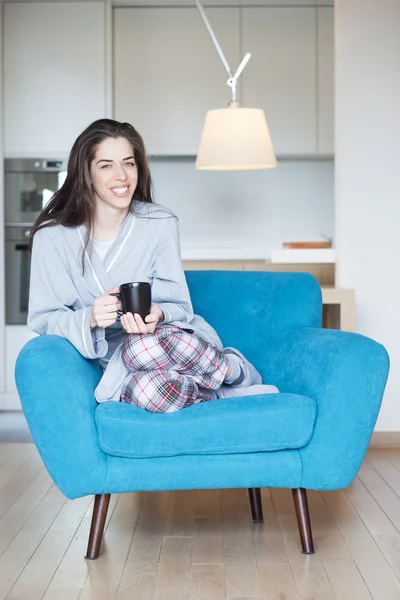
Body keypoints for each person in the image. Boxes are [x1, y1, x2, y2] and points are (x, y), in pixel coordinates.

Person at [28, 119, 278, 413]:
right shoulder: (53, 237)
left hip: (167, 340)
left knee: (140, 346)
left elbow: (180, 305)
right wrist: (91, 318)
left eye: (128, 163)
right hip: (119, 364)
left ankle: (230, 369)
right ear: (87, 173)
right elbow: (44, 318)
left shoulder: (160, 223)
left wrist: (158, 313)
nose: (121, 176)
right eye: (106, 165)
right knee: (144, 389)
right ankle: (220, 393)